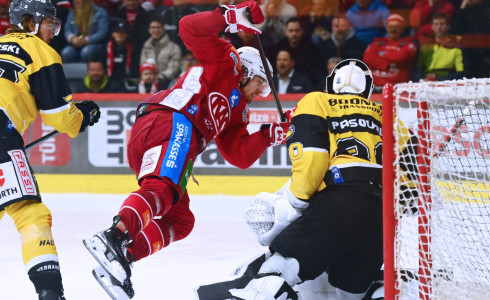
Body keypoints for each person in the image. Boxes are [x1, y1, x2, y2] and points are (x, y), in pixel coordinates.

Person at [82, 2, 290, 298]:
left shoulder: (238, 111)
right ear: (250, 70)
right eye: (260, 84)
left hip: (162, 135)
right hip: (173, 122)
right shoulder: (226, 60)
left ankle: (122, 257)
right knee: (162, 190)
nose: (261, 93)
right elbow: (188, 29)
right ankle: (113, 236)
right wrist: (230, 16)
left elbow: (239, 155)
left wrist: (271, 134)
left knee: (181, 221)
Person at [230, 59, 385, 300]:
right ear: (367, 88)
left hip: (338, 203)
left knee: (279, 269)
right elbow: (409, 176)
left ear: (333, 84)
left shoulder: (318, 100)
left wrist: (297, 200)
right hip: (380, 214)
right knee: (349, 293)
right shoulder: (387, 112)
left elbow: (312, 158)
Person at [0, 0, 100, 298]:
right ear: (29, 22)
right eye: (48, 23)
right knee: (30, 213)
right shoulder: (40, 51)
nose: (53, 31)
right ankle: (50, 293)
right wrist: (83, 115)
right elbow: (60, 118)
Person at [363, 13, 418, 87]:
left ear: (402, 28)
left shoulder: (409, 42)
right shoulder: (378, 41)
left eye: (396, 27)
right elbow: (368, 57)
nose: (393, 29)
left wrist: (380, 57)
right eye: (390, 27)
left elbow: (402, 57)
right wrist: (388, 65)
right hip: (374, 85)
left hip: (398, 86)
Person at [416, 12, 464, 81]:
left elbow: (461, 72)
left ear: (448, 26)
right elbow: (417, 69)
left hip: (446, 83)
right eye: (436, 24)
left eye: (442, 24)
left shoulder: (456, 47)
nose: (439, 27)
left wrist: (440, 80)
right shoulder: (425, 47)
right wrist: (422, 79)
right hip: (425, 82)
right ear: (432, 27)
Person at [140, 15, 182, 90]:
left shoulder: (174, 48)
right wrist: (149, 76)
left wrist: (159, 77)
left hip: (167, 83)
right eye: (153, 28)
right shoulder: (146, 47)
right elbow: (143, 65)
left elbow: (173, 69)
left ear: (163, 29)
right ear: (149, 30)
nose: (156, 30)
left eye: (158, 27)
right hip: (148, 82)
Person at [106, 19, 133, 92]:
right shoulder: (105, 49)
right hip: (109, 81)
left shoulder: (132, 49)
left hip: (126, 81)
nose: (120, 35)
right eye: (117, 32)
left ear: (127, 35)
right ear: (113, 34)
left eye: (123, 32)